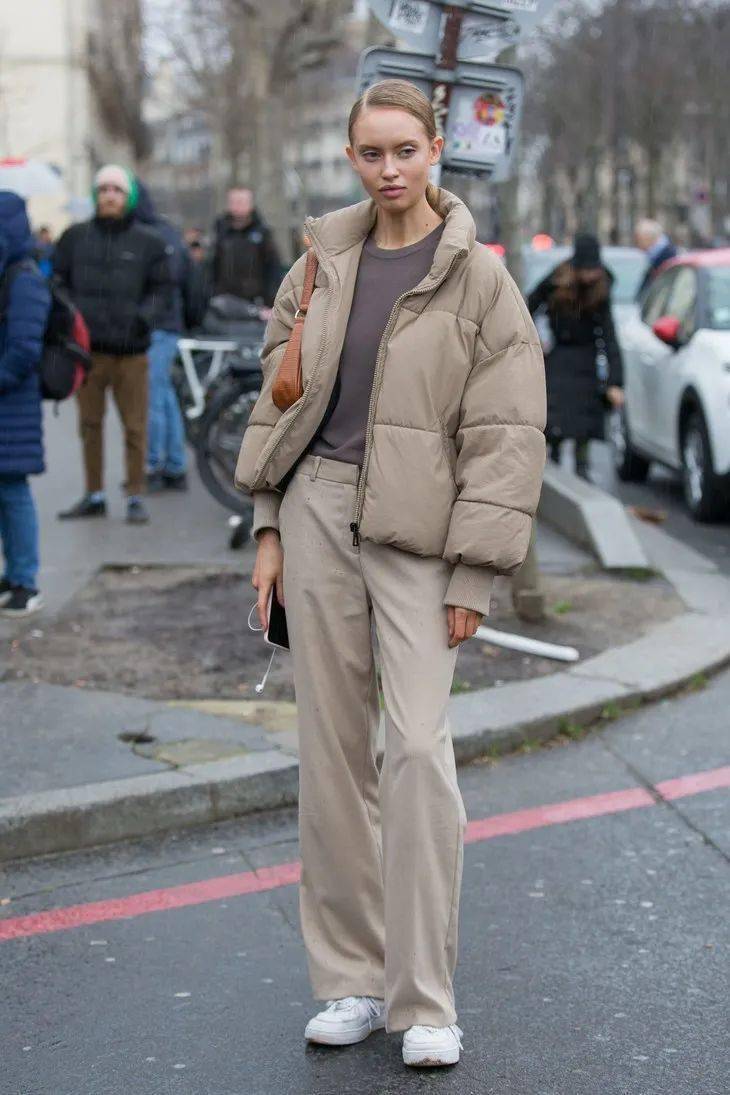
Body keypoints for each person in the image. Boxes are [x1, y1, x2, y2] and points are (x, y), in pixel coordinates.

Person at [235, 80, 546, 1069]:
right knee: (331, 759)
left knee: (414, 751)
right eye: (370, 152)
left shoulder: (479, 279)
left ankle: (424, 999)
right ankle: (349, 983)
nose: (389, 168)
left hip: (420, 533)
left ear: (436, 148)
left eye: (404, 149)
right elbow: (279, 403)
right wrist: (269, 528)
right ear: (352, 156)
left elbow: (504, 437)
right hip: (318, 513)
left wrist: (472, 577)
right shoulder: (321, 261)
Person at [54, 164, 172, 524]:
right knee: (90, 425)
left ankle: (135, 494)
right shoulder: (74, 238)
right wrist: (70, 318)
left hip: (131, 353)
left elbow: (163, 289)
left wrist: (142, 319)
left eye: (117, 190)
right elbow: (57, 281)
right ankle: (95, 494)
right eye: (103, 189)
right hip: (87, 354)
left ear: (128, 198)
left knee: (135, 427)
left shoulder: (149, 243)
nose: (109, 195)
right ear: (95, 196)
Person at [528, 233, 624, 479]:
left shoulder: (602, 289)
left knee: (583, 423)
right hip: (559, 356)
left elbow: (609, 338)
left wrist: (615, 382)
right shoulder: (556, 281)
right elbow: (528, 306)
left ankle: (582, 469)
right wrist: (532, 338)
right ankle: (554, 466)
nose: (591, 276)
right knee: (556, 420)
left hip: (586, 361)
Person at [134, 182, 206, 492]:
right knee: (163, 395)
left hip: (157, 325)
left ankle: (156, 464)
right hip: (169, 324)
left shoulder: (148, 235)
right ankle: (173, 463)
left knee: (152, 396)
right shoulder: (167, 232)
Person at [0, 192, 51, 618]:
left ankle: (25, 581)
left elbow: (23, 350)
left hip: (12, 405)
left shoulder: (24, 278)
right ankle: (12, 575)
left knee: (13, 491)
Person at [210, 187, 281, 310]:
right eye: (233, 202)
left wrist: (270, 302)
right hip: (224, 301)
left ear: (251, 204)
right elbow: (211, 266)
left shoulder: (262, 233)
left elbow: (272, 268)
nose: (237, 206)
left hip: (255, 303)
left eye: (241, 202)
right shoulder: (220, 232)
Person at [634, 218, 677, 298]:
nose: (637, 244)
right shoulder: (657, 255)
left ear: (646, 238)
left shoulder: (667, 256)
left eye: (638, 239)